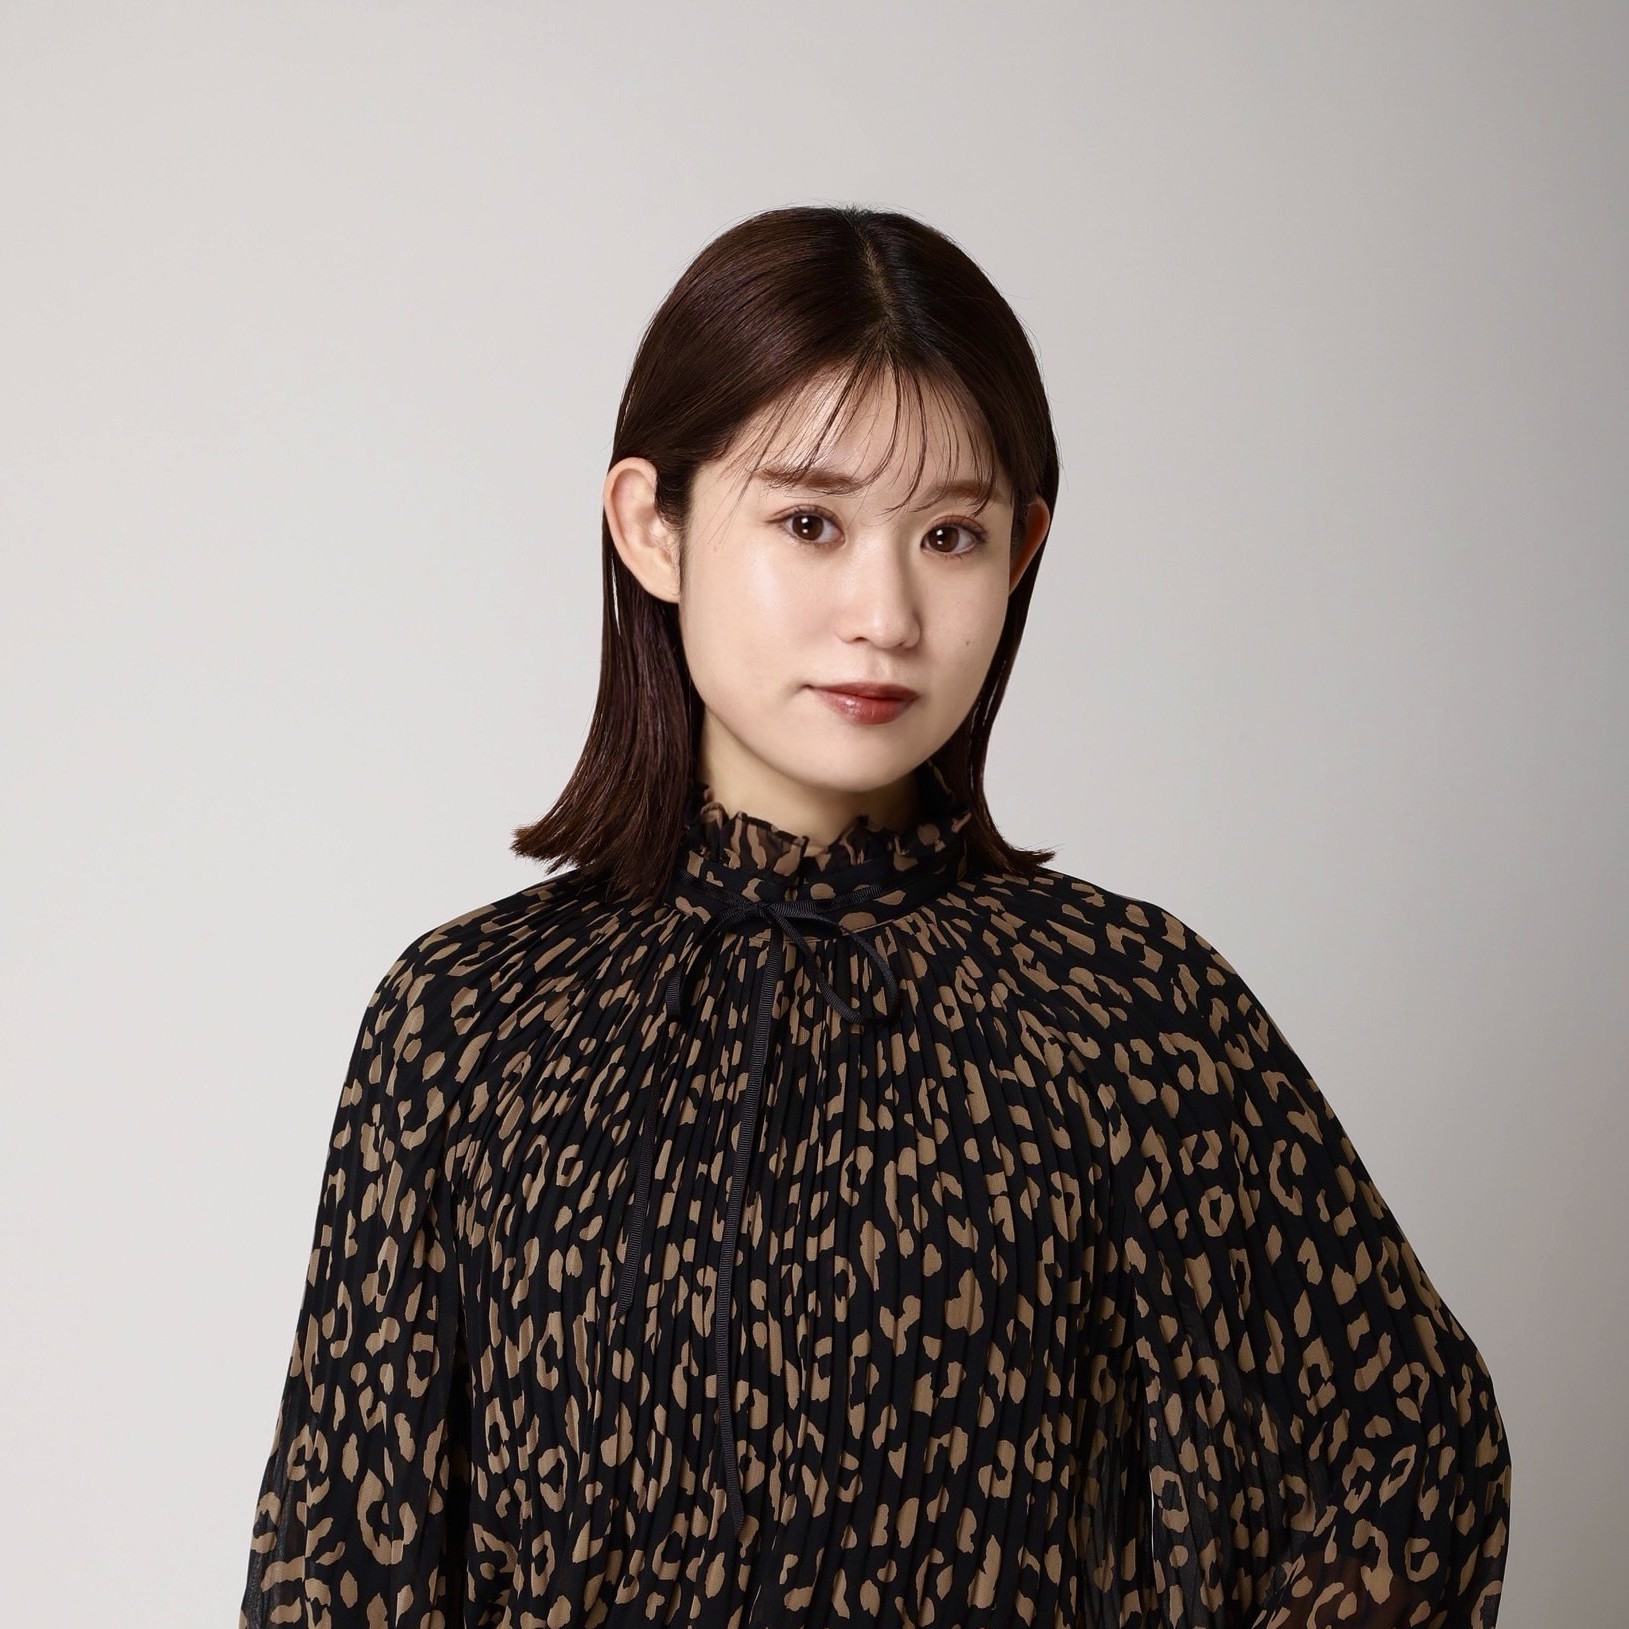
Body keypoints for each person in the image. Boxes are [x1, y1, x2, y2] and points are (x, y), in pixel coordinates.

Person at [238, 205, 1511, 1629]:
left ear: (1020, 551)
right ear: (652, 526)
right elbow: (338, 1562)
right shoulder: (470, 1022)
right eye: (809, 523)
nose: (886, 613)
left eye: (949, 534)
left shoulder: (1131, 1010)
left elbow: (1417, 1457)